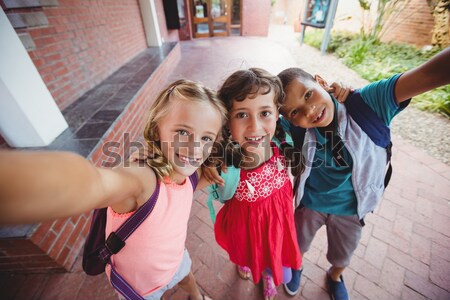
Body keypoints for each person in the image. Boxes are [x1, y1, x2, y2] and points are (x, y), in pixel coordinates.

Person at [0, 79, 227, 300]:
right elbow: (92, 183)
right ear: (157, 130)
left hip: (175, 260)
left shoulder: (190, 178)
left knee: (186, 277)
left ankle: (196, 296)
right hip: (138, 288)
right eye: (183, 132)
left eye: (206, 137)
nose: (195, 147)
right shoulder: (142, 180)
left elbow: (225, 161)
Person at [277, 47, 450, 300]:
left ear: (321, 82)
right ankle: (297, 266)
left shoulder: (368, 104)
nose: (309, 111)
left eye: (308, 94)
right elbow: (256, 114)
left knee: (344, 253)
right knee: (297, 246)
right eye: (295, 112)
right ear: (290, 120)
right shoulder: (293, 129)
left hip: (352, 208)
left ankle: (335, 276)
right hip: (309, 203)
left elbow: (428, 73)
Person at [208, 68, 303, 300]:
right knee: (246, 252)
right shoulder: (224, 161)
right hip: (244, 224)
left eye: (265, 113)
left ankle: (268, 275)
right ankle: (247, 263)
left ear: (278, 113)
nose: (254, 127)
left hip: (278, 219)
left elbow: (315, 110)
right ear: (227, 121)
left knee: (273, 254)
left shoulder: (283, 141)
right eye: (241, 115)